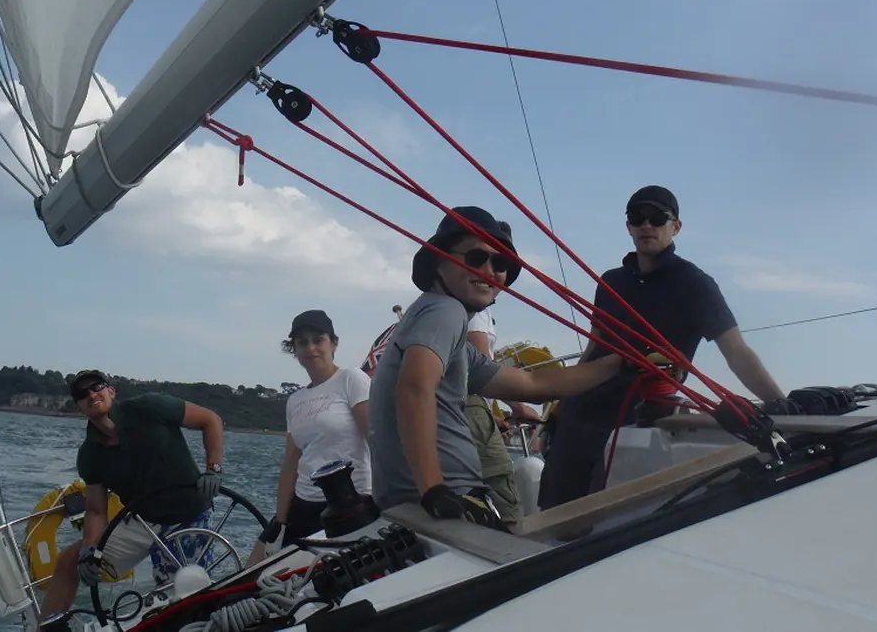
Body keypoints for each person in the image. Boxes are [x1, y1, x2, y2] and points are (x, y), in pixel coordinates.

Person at [366, 205, 627, 530]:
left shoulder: (445, 334)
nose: (491, 270)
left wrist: (620, 364)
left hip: (415, 506)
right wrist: (434, 490)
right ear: (441, 259)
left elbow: (532, 385)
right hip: (442, 505)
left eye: (501, 263)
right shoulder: (445, 312)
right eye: (476, 258)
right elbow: (414, 388)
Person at [537, 185, 785, 512]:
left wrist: (782, 404)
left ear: (676, 226)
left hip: (634, 425)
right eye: (637, 218)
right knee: (558, 519)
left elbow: (737, 353)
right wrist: (559, 407)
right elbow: (593, 348)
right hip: (578, 419)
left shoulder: (695, 284)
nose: (646, 225)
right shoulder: (611, 283)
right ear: (628, 226)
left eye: (656, 218)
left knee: (600, 521)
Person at [38, 370, 227, 630]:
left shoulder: (150, 407)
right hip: (144, 522)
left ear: (111, 391)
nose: (91, 394)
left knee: (181, 591)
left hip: (189, 514)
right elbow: (95, 510)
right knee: (69, 560)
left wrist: (213, 469)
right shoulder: (90, 454)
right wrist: (89, 549)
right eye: (83, 394)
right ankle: (48, 627)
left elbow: (211, 419)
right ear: (79, 407)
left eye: (97, 387)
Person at [256, 310, 371, 555]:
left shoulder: (352, 379)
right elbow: (290, 464)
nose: (311, 348)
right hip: (303, 504)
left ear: (333, 344)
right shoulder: (295, 400)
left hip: (350, 502)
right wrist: (280, 521)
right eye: (302, 342)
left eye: (318, 340)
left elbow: (376, 440)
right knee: (259, 570)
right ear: (294, 350)